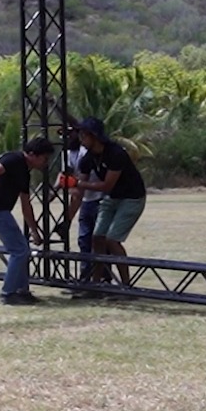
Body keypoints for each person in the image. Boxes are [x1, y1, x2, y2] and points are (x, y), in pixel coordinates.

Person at [0, 136, 54, 305]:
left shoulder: (25, 173)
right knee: (19, 250)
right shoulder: (14, 158)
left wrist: (34, 230)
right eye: (44, 158)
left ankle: (21, 291)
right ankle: (8, 293)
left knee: (21, 249)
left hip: (0, 210)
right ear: (32, 154)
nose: (46, 163)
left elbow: (26, 205)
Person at [71, 116, 147, 286]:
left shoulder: (116, 153)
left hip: (131, 198)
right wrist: (68, 186)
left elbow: (106, 185)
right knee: (97, 238)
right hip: (112, 198)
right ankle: (97, 283)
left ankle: (126, 285)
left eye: (83, 135)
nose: (80, 139)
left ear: (93, 136)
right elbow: (79, 187)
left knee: (112, 240)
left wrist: (77, 183)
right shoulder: (88, 158)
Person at [58, 124, 102, 254]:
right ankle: (86, 273)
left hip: (99, 199)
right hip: (86, 201)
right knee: (84, 241)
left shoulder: (86, 153)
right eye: (63, 135)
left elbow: (78, 189)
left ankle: (103, 273)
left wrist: (67, 220)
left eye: (69, 133)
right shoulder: (66, 154)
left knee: (100, 242)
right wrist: (55, 190)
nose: (66, 137)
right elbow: (64, 175)